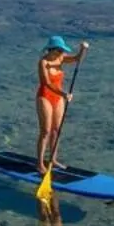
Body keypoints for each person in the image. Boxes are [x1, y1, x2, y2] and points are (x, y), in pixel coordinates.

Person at [35, 35, 88, 172]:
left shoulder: (61, 58)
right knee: (45, 131)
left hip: (58, 98)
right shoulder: (43, 63)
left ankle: (53, 159)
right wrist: (64, 94)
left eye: (62, 51)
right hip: (45, 97)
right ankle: (40, 163)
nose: (61, 53)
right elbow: (46, 83)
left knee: (56, 130)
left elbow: (77, 59)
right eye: (59, 51)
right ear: (51, 50)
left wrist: (83, 50)